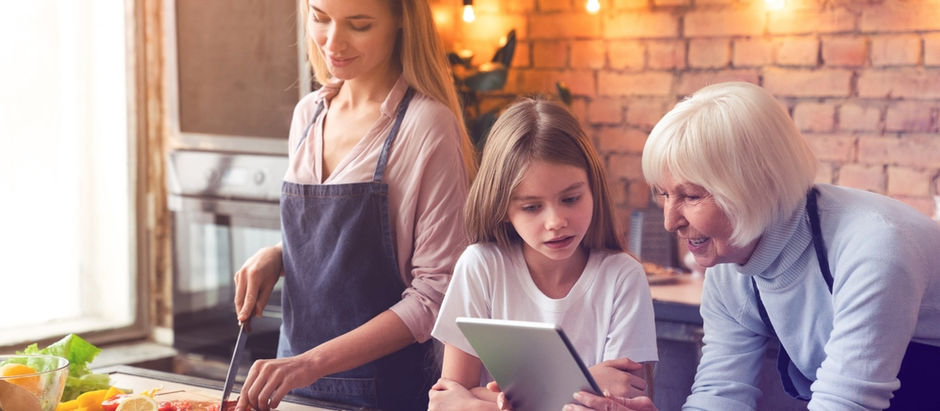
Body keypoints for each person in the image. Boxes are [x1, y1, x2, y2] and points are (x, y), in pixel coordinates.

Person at [576, 81, 940, 410]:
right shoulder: (730, 267)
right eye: (663, 194)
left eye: (690, 195)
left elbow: (846, 402)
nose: (671, 221)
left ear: (757, 185)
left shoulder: (874, 249)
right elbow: (720, 394)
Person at [231, 0, 476, 410]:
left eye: (359, 25)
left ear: (401, 20)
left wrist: (309, 363)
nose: (332, 42)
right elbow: (331, 243)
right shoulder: (308, 114)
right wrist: (279, 255)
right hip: (292, 390)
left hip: (385, 394)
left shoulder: (426, 125)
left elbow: (436, 296)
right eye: (320, 18)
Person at [428, 97, 659, 410]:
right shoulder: (481, 266)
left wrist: (500, 401)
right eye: (532, 207)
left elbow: (624, 397)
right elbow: (446, 400)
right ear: (503, 208)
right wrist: (587, 383)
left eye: (571, 198)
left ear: (593, 188)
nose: (556, 222)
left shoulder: (622, 276)